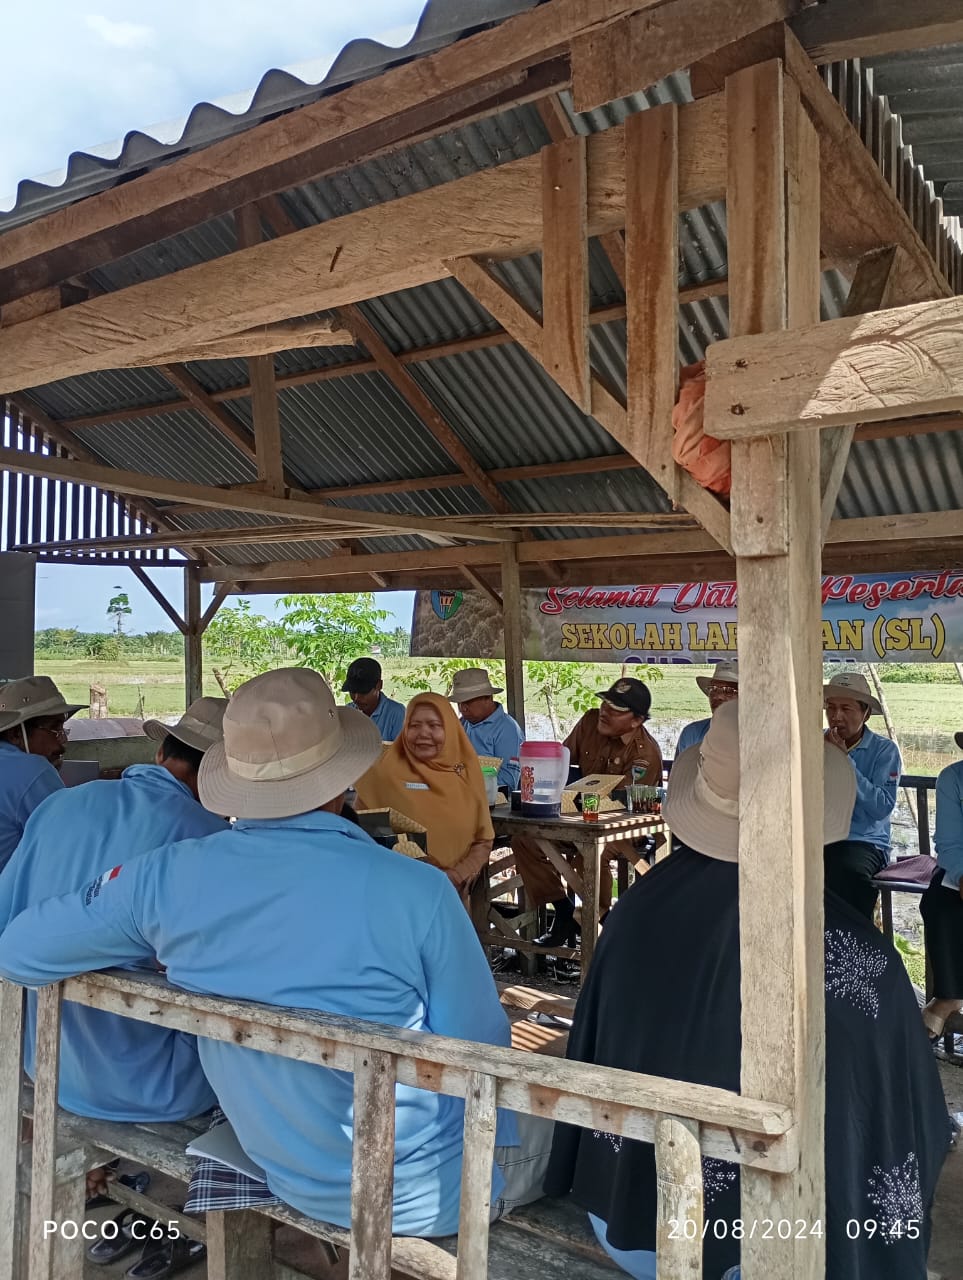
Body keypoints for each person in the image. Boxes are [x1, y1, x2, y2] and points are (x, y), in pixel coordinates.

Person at [0, 670, 552, 1237]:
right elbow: (482, 1051)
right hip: (421, 1193)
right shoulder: (420, 891)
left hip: (282, 1168)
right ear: (343, 780)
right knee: (564, 1133)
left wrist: (158, 952)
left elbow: (19, 950)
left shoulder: (164, 877)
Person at [545, 700, 950, 1280]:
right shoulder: (857, 956)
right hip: (788, 1246)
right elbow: (907, 1119)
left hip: (633, 1226)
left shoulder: (635, 912)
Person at [0, 696, 229, 1125]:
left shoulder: (59, 804)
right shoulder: (209, 841)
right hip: (160, 1088)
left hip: (46, 1061)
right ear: (230, 781)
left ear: (160, 753)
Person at [513, 678, 663, 947]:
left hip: (623, 827)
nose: (605, 711)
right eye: (604, 702)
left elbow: (623, 806)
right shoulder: (589, 721)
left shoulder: (645, 753)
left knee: (592, 851)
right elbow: (562, 760)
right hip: (576, 817)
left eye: (616, 709)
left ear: (636, 721)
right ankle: (562, 911)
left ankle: (602, 924)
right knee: (525, 838)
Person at [356, 692, 494, 899]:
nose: (423, 733)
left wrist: (456, 876)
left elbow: (483, 840)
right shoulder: (382, 774)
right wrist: (426, 870)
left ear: (450, 728)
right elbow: (365, 832)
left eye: (434, 725)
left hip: (452, 895)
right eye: (414, 725)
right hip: (394, 895)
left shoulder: (466, 774)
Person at [823, 671, 901, 919]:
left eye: (846, 709)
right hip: (820, 836)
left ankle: (856, 944)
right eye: (831, 708)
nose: (837, 717)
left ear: (865, 713)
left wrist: (844, 761)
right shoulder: (813, 743)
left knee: (847, 872)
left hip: (863, 841)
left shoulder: (884, 751)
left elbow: (881, 807)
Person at [0, 675, 86, 873]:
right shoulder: (31, 769)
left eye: (63, 728)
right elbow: (70, 846)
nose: (62, 741)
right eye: (54, 728)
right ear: (15, 734)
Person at [919, 728, 963, 1039]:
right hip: (960, 868)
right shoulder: (952, 779)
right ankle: (949, 996)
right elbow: (947, 843)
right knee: (938, 904)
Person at [449, 667, 524, 792]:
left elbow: (507, 783)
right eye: (459, 703)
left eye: (468, 702)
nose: (463, 709)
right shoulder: (462, 724)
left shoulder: (507, 730)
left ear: (488, 698)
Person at [675, 660, 738, 756]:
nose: (718, 696)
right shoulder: (692, 734)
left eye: (729, 691)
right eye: (713, 689)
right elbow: (680, 770)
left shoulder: (757, 737)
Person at [342, 657, 405, 741]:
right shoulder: (348, 712)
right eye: (352, 691)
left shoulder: (397, 713)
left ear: (379, 685)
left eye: (363, 692)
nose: (356, 698)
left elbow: (402, 751)